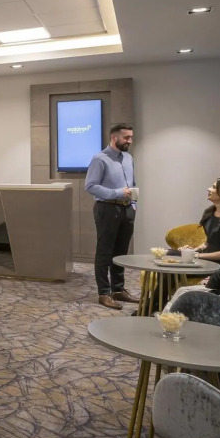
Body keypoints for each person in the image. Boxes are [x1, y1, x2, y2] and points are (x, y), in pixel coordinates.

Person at [85, 123, 141, 310]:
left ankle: (118, 289)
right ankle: (104, 293)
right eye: (126, 137)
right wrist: (117, 193)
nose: (129, 141)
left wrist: (133, 204)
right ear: (114, 137)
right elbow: (90, 186)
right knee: (105, 252)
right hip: (107, 209)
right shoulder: (100, 159)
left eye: (131, 137)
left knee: (121, 252)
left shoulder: (128, 158)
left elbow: (132, 183)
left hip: (127, 210)